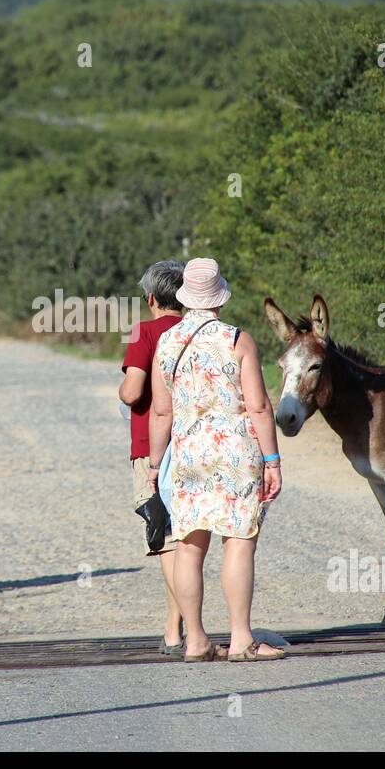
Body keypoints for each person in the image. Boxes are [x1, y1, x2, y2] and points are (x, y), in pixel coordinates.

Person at [149, 257, 284, 662]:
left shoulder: (167, 343)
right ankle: (242, 640)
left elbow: (161, 412)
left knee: (190, 548)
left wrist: (157, 466)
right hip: (236, 455)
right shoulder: (237, 340)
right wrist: (273, 460)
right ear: (219, 298)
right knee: (239, 543)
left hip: (189, 456)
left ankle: (195, 641)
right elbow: (259, 407)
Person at [119, 260, 186, 655]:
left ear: (150, 298)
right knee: (187, 538)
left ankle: (177, 630)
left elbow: (132, 392)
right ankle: (177, 625)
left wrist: (121, 393)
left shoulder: (143, 331)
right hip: (194, 445)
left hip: (152, 448)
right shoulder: (196, 331)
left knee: (166, 539)